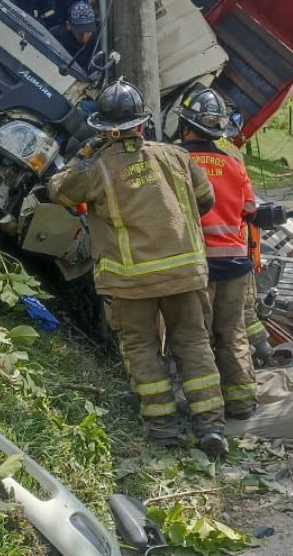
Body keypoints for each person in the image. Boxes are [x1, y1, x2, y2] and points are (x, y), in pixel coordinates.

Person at [49, 80, 229, 459]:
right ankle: (211, 426)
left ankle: (164, 428)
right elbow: (206, 200)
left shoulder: (97, 168)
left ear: (104, 129)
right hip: (184, 273)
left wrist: (86, 150)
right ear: (143, 123)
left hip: (131, 282)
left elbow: (59, 191)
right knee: (194, 344)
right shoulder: (176, 156)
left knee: (142, 348)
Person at [175, 88, 260, 420]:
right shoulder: (234, 164)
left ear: (185, 126)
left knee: (198, 337)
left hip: (197, 263)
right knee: (233, 331)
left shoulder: (177, 161)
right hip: (236, 263)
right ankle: (242, 402)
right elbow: (249, 210)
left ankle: (206, 407)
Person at [49, 1, 98, 71]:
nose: (85, 37)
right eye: (80, 33)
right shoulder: (54, 36)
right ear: (68, 25)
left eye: (88, 31)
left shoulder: (99, 37)